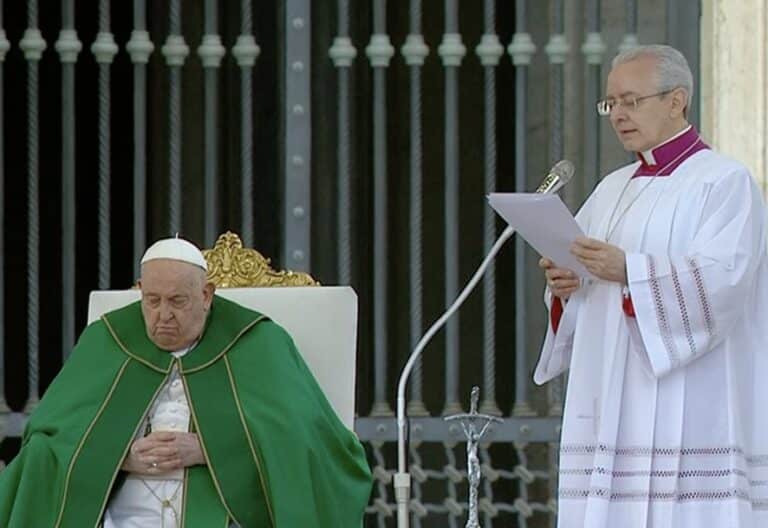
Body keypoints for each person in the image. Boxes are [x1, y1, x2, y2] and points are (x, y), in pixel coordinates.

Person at [535, 44, 768, 527]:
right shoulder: (610, 188)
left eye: (631, 101)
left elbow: (725, 283)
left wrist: (632, 272)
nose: (617, 115)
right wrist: (565, 288)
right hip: (613, 399)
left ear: (676, 100)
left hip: (695, 397)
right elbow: (584, 288)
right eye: (610, 104)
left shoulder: (725, 183)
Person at [0, 237, 372, 527]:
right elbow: (47, 444)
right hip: (123, 512)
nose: (163, 316)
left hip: (225, 512)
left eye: (178, 301)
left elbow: (307, 442)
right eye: (152, 300)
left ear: (206, 295)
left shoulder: (259, 343)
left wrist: (210, 449)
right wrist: (120, 455)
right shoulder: (107, 340)